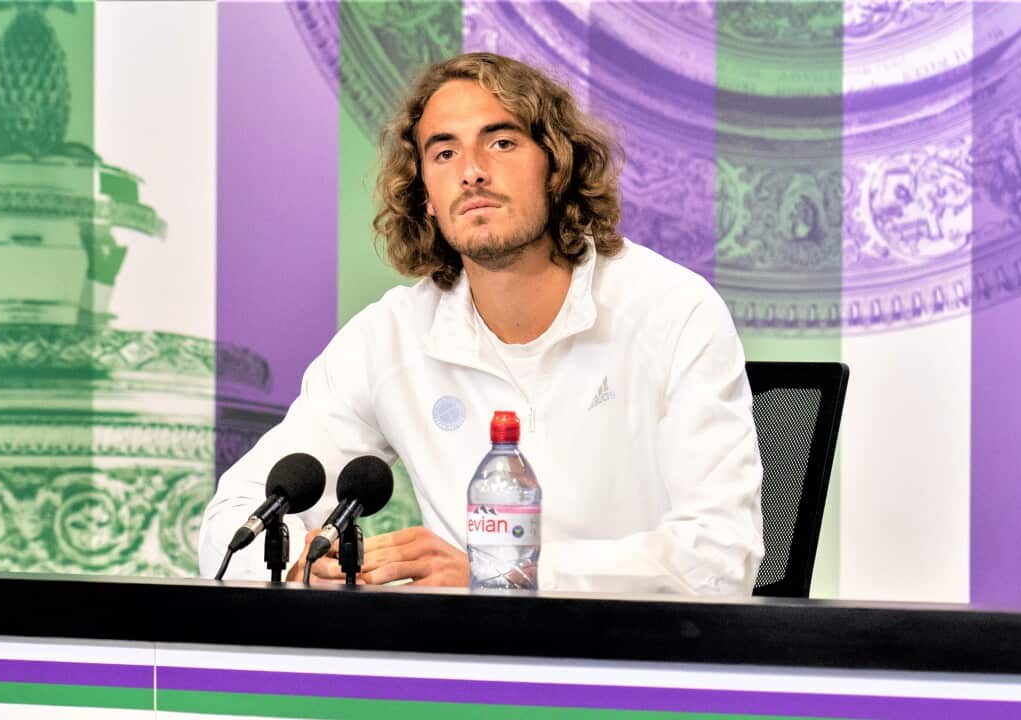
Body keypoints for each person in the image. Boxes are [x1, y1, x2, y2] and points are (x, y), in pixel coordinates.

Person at [198, 52, 763, 595]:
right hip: (465, 675)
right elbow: (234, 517)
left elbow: (719, 558)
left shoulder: (672, 309)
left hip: (642, 670)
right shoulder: (390, 337)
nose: (471, 172)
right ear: (425, 198)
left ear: (557, 164)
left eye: (501, 142)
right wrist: (302, 563)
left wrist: (499, 573)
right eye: (444, 154)